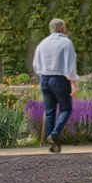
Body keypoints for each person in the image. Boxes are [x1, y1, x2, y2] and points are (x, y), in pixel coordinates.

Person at [31, 18, 77, 153]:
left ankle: (52, 143)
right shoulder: (66, 43)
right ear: (62, 28)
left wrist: (43, 74)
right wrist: (73, 82)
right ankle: (54, 134)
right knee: (66, 108)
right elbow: (70, 64)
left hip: (44, 79)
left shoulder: (43, 43)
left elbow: (35, 65)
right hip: (59, 79)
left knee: (50, 112)